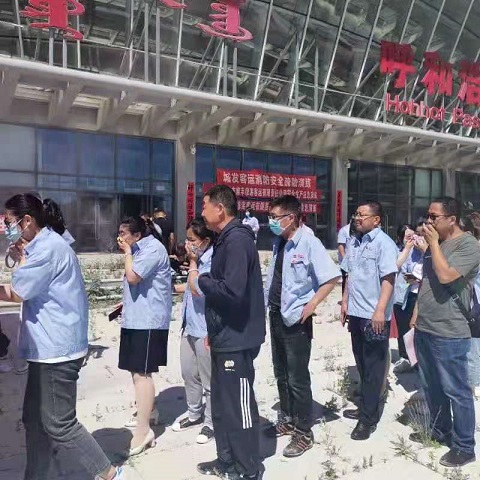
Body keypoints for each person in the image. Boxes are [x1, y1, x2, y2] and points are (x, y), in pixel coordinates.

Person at [0, 193, 123, 480]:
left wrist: (20, 261)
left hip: (57, 350)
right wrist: (21, 257)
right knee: (34, 420)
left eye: (9, 221)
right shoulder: (42, 244)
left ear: (26, 220)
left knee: (59, 423)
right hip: (46, 348)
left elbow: (17, 293)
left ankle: (111, 475)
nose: (6, 227)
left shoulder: (48, 249)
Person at [188, 185, 265, 480]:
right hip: (223, 334)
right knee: (221, 404)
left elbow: (232, 291)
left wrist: (202, 280)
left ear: (220, 209)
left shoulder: (238, 241)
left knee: (239, 406)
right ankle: (227, 460)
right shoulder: (224, 239)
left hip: (238, 337)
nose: (202, 210)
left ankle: (248, 469)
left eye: (205, 204)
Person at [264, 196, 340, 457]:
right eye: (270, 217)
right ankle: (287, 419)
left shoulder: (309, 242)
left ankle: (304, 432)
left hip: (296, 319)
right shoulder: (280, 242)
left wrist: (312, 305)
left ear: (291, 218)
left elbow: (331, 278)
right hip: (276, 313)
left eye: (275, 217)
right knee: (281, 372)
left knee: (297, 377)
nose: (271, 222)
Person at [411, 197, 480, 468]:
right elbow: (427, 281)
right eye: (427, 215)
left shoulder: (469, 245)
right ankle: (441, 431)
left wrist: (434, 245)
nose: (428, 221)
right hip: (425, 326)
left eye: (434, 217)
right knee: (432, 386)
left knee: (456, 390)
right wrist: (416, 313)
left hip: (450, 330)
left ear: (452, 220)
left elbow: (446, 276)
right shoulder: (435, 243)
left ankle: (464, 447)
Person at [340, 200, 398, 440]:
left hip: (374, 316)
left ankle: (368, 420)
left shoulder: (384, 244)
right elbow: (350, 275)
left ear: (376, 220)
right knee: (362, 364)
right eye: (356, 214)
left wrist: (380, 311)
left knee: (374, 368)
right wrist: (345, 301)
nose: (357, 218)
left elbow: (389, 279)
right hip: (356, 312)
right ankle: (366, 406)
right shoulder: (355, 241)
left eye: (362, 215)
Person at [117, 216, 172, 457]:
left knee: (142, 373)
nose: (120, 238)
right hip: (135, 318)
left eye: (124, 233)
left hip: (148, 321)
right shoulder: (140, 249)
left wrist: (128, 253)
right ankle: (149, 411)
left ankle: (143, 431)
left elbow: (133, 277)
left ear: (137, 235)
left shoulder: (152, 249)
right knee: (135, 371)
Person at [172, 217, 215, 444]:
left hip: (205, 328)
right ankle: (194, 413)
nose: (188, 244)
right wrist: (169, 287)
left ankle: (211, 422)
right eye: (187, 239)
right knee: (189, 373)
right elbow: (188, 288)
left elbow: (197, 289)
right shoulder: (196, 262)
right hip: (189, 325)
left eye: (192, 240)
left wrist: (192, 262)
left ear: (205, 241)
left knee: (209, 379)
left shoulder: (212, 261)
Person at [393, 221, 425, 374]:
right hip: (405, 294)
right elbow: (397, 267)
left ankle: (418, 360)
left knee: (417, 328)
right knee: (404, 327)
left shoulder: (431, 252)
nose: (415, 238)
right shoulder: (407, 252)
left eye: (418, 235)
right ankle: (405, 357)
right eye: (411, 236)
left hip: (421, 295)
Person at [337, 219, 353, 293]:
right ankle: (345, 297)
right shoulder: (344, 230)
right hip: (346, 261)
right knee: (346, 281)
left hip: (356, 261)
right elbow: (341, 245)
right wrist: (345, 259)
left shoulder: (360, 230)